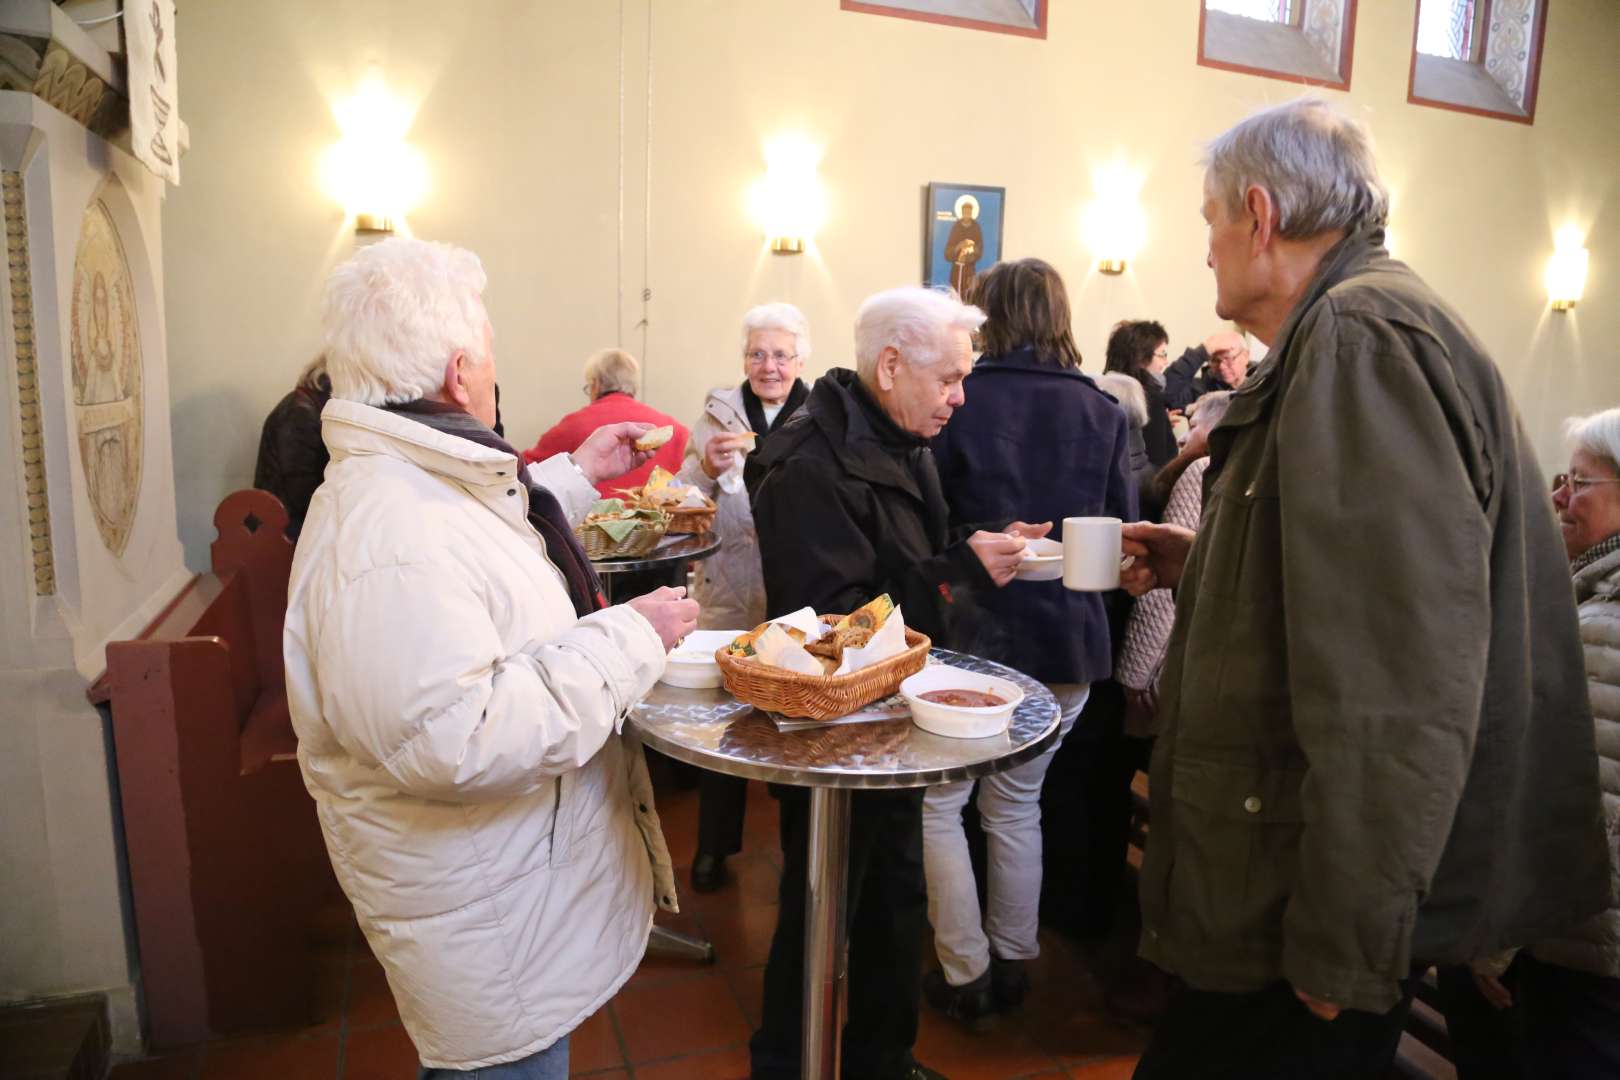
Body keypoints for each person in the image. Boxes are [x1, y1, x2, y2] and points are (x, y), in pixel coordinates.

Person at [1118, 99, 1609, 1079]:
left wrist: (1347, 938)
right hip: (1279, 872)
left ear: (1258, 215)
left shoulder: (1359, 338)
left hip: (1296, 906)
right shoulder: (1355, 326)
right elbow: (1349, 590)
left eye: (1210, 218)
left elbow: (1399, 680)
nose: (1206, 247)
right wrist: (1207, 566)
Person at [283, 237, 701, 1078]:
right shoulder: (390, 531)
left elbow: (486, 540)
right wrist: (633, 635)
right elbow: (458, 735)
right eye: (493, 351)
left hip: (502, 893)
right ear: (460, 371)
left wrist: (577, 474)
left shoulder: (407, 481)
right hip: (485, 921)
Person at [746, 285, 1042, 1080]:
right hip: (831, 736)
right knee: (819, 921)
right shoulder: (810, 461)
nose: (960, 396)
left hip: (894, 721)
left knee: (895, 908)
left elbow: (919, 551)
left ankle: (884, 1062)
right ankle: (786, 1066)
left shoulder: (902, 437)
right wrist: (959, 572)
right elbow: (833, 630)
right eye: (948, 378)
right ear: (889, 365)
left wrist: (975, 549)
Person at [923, 258, 1135, 1025]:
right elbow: (1117, 534)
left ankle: (963, 970)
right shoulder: (1107, 410)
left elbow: (932, 524)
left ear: (987, 315)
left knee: (939, 806)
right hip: (1067, 641)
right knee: (1018, 806)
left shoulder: (963, 401)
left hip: (973, 630)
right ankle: (1014, 962)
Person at [676, 302, 812, 893]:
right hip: (729, 587)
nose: (770, 366)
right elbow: (680, 502)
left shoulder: (820, 415)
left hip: (798, 587)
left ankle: (800, 852)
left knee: (797, 724)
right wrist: (704, 469)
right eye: (758, 354)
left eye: (781, 354)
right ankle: (712, 849)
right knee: (725, 723)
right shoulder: (717, 414)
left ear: (799, 359)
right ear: (744, 360)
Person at [522, 347, 688, 497]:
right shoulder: (676, 431)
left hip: (590, 527)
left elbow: (523, 471)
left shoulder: (572, 426)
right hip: (662, 526)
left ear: (595, 385)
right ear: (634, 387)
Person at [253, 355, 331, 536]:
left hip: (288, 525)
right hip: (285, 532)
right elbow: (301, 493)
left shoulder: (304, 406)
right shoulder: (299, 413)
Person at [1103, 320, 1177, 469]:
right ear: (1142, 357)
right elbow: (1159, 462)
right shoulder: (1148, 397)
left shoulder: (1100, 392)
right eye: (1162, 355)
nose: (1166, 362)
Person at [1162, 330, 1249, 411]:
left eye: (1228, 358)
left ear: (1245, 356)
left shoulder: (1260, 386)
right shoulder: (1197, 390)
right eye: (1215, 360)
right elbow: (1161, 394)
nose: (1222, 366)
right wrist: (1203, 350)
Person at [944, 196, 983, 296]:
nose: (966, 214)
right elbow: (947, 252)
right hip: (956, 270)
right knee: (955, 295)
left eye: (969, 212)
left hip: (969, 270)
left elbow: (979, 250)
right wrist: (959, 246)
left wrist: (968, 254)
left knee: (968, 295)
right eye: (964, 212)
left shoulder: (976, 228)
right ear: (961, 213)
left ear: (972, 213)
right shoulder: (956, 227)